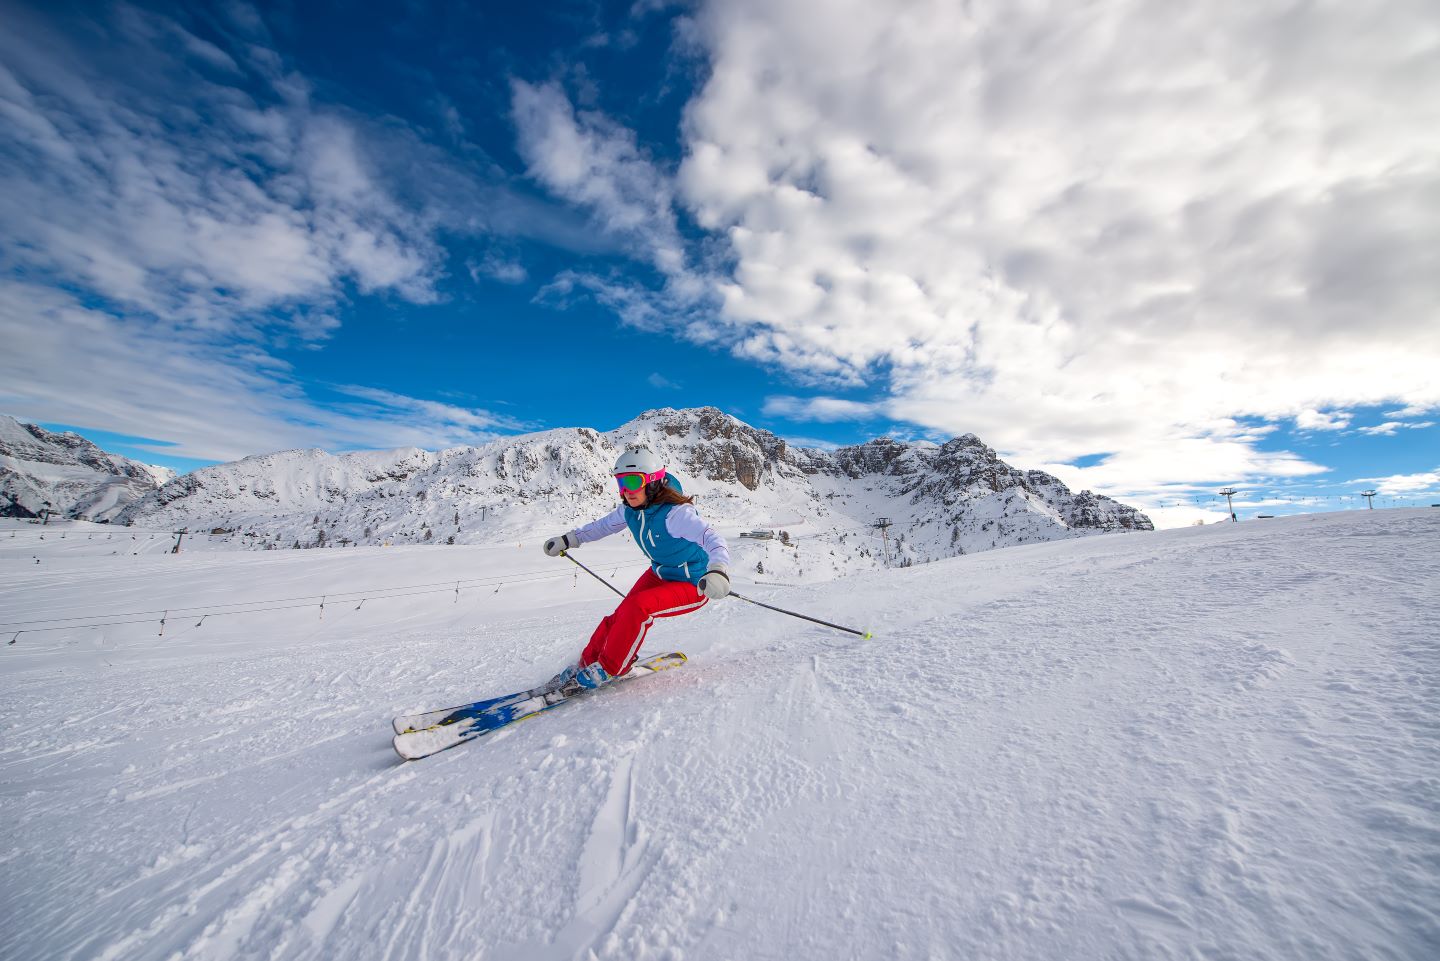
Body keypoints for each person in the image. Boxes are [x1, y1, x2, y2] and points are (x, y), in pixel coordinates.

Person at [542, 447, 731, 690]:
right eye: (621, 483)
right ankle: (586, 662)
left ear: (652, 483)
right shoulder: (630, 510)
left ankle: (611, 667)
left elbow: (713, 538)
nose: (626, 491)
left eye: (632, 481)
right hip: (660, 573)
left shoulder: (676, 514)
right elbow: (602, 527)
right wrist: (568, 539)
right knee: (618, 616)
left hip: (693, 582)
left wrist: (718, 570)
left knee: (638, 607)